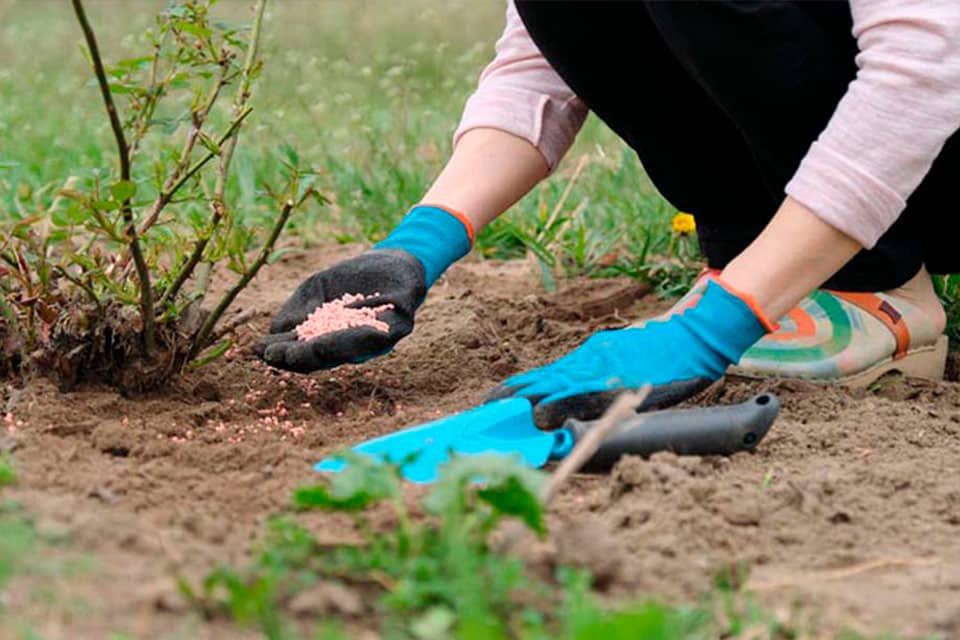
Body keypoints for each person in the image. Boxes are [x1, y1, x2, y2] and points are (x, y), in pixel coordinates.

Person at [256, 1, 960, 429]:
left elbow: (927, 63)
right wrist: (417, 245)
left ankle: (877, 285)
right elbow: (546, 59)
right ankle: (761, 260)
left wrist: (716, 327)